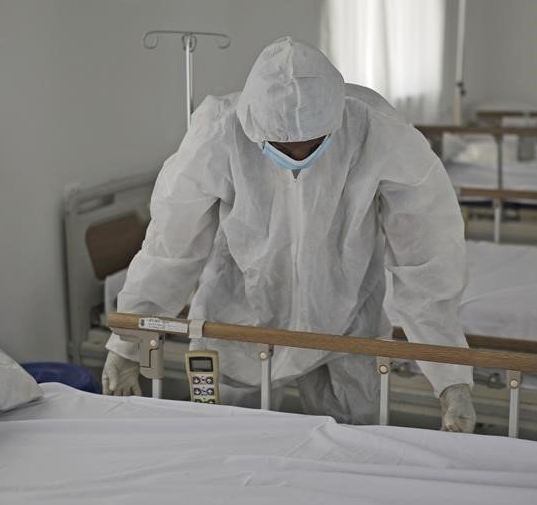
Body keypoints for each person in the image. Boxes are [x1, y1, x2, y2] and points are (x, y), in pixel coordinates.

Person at [102, 37, 475, 432]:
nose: (297, 159)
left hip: (344, 325)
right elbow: (170, 248)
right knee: (230, 441)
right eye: (282, 146)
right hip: (238, 323)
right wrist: (128, 342)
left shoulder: (378, 131)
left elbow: (426, 256)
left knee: (351, 445)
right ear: (255, 127)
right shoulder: (219, 132)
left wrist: (451, 377)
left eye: (312, 146)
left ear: (334, 122)